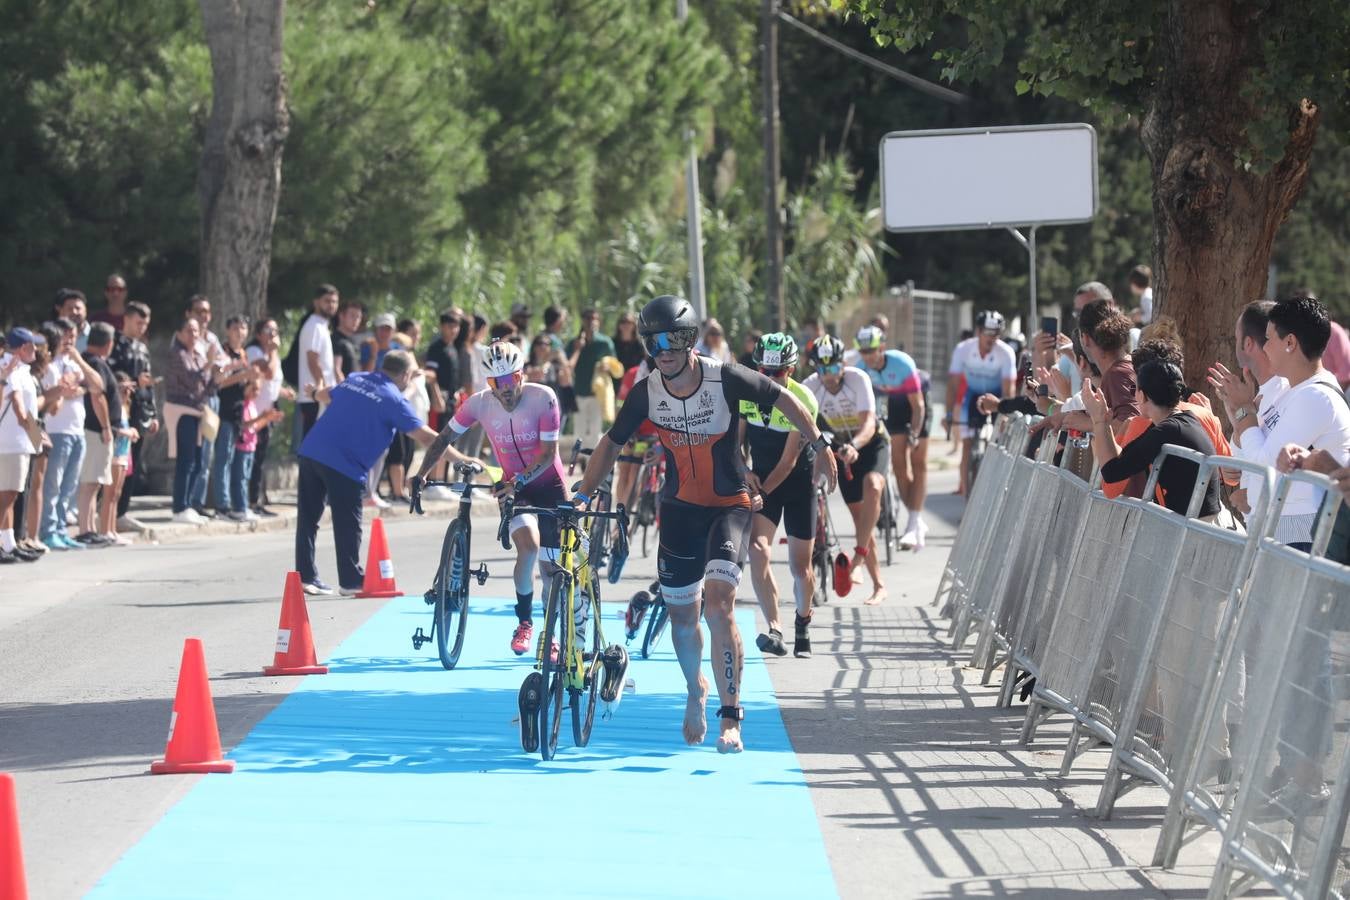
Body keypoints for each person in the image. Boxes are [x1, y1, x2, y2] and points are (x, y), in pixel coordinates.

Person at [572, 295, 837, 754]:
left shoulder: (724, 377)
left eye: (672, 340)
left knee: (718, 607)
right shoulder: (646, 391)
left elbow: (785, 398)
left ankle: (731, 717)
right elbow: (612, 443)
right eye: (653, 342)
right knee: (683, 617)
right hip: (679, 510)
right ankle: (696, 688)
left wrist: (820, 445)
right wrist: (581, 495)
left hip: (730, 506)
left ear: (690, 340)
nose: (663, 351)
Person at [412, 339, 572, 656]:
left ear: (521, 374)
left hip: (549, 486)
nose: (506, 388)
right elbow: (443, 438)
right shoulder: (479, 403)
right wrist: (421, 474)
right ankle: (524, 623)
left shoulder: (544, 398)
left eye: (511, 378)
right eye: (496, 383)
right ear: (489, 383)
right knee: (528, 549)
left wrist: (517, 481)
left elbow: (547, 454)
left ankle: (551, 634)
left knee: (551, 569)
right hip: (514, 488)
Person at [1211, 295, 1350, 549]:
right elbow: (1252, 456)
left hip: (1305, 537)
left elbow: (1264, 466)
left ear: (1290, 343)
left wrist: (1244, 411)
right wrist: (1239, 413)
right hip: (1285, 532)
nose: (1264, 348)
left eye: (1269, 339)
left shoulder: (1315, 396)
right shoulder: (1295, 391)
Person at [296, 350, 439, 595]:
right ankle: (351, 580)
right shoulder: (394, 399)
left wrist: (312, 393)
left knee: (308, 519)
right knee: (347, 523)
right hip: (345, 465)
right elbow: (427, 437)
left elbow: (326, 394)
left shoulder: (356, 378)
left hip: (312, 451)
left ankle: (305, 577)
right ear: (406, 375)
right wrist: (461, 456)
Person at [739, 333, 819, 658]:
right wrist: (744, 472)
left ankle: (803, 620)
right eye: (764, 371)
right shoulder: (746, 393)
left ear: (792, 369)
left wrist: (761, 492)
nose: (770, 378)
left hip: (797, 484)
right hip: (762, 481)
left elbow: (788, 463)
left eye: (778, 372)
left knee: (801, 569)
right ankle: (776, 629)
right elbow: (734, 444)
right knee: (757, 550)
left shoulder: (803, 399)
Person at [804, 336, 889, 606]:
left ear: (843, 364)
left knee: (873, 485)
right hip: (840, 449)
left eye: (833, 368)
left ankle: (859, 558)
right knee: (860, 519)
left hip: (870, 443)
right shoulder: (810, 387)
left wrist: (855, 446)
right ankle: (879, 585)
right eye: (822, 369)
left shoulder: (858, 379)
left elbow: (869, 424)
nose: (828, 375)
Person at [1082, 362, 1221, 517]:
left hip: (1192, 526)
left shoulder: (1166, 430)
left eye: (1134, 389)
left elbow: (1112, 474)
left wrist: (1098, 420)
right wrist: (1103, 423)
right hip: (1193, 523)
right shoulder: (1181, 421)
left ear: (1143, 396)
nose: (1134, 395)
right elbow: (1121, 461)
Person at [854, 324, 930, 550]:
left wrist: (914, 434)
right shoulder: (860, 369)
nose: (867, 356)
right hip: (891, 407)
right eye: (863, 351)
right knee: (899, 467)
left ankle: (913, 523)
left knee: (918, 462)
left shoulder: (902, 363)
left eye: (871, 350)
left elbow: (918, 407)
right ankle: (915, 519)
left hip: (915, 405)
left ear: (882, 348)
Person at [39, 317, 103, 550]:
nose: (69, 341)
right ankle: (47, 531)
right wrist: (70, 390)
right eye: (65, 336)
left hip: (77, 431)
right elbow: (53, 400)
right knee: (53, 486)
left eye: (73, 336)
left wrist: (78, 361)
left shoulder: (75, 363)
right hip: (57, 430)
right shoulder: (50, 365)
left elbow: (98, 386)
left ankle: (61, 529)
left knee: (68, 487)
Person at [946, 312, 1016, 495]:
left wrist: (1005, 416)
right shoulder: (963, 349)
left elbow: (1008, 390)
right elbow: (953, 386)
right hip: (972, 396)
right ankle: (967, 496)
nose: (992, 338)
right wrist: (948, 414)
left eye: (996, 333)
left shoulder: (1006, 353)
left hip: (997, 398)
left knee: (998, 443)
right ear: (978, 331)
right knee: (967, 445)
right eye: (988, 333)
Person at [108, 301, 159, 526]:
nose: (142, 328)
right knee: (115, 463)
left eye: (145, 324)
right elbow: (112, 376)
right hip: (120, 411)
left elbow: (149, 382)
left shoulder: (142, 348)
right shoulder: (115, 344)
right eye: (138, 323)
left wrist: (153, 413)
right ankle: (106, 511)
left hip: (139, 411)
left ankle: (121, 511)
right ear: (126, 319)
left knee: (132, 464)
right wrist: (134, 381)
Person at [163, 317, 216, 525]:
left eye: (196, 331)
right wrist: (209, 364)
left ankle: (188, 504)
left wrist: (217, 375)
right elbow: (191, 380)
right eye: (189, 330)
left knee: (197, 461)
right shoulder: (177, 354)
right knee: (185, 460)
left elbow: (206, 387)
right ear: (179, 333)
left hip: (197, 411)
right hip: (182, 411)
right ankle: (179, 507)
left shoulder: (198, 355)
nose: (194, 334)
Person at [73, 323, 120, 545]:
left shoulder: (90, 362)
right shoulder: (95, 364)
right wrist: (106, 427)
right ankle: (85, 529)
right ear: (108, 343)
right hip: (95, 430)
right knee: (90, 482)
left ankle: (90, 528)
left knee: (94, 483)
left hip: (93, 430)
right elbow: (97, 396)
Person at [210, 315, 260, 519]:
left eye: (243, 328)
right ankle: (222, 506)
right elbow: (219, 382)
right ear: (228, 330)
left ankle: (235, 505)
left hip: (239, 413)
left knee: (234, 461)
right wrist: (243, 375)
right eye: (236, 328)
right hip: (223, 411)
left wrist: (253, 381)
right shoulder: (222, 353)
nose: (240, 332)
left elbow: (243, 388)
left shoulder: (244, 354)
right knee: (223, 459)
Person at [0, 329, 43, 564]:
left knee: (10, 495)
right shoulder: (10, 367)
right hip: (11, 443)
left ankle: (8, 544)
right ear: (22, 348)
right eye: (32, 345)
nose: (36, 349)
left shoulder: (21, 369)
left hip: (18, 442)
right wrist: (37, 437)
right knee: (7, 495)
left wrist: (35, 439)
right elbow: (19, 410)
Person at [245, 318, 294, 516]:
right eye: (268, 330)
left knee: (261, 458)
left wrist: (283, 392)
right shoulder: (254, 351)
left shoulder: (271, 355)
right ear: (258, 334)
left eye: (275, 330)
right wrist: (273, 351)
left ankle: (257, 499)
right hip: (253, 414)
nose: (273, 334)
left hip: (267, 414)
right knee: (253, 459)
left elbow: (272, 383)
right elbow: (269, 373)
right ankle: (250, 501)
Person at [567, 308, 615, 450]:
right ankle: (578, 457)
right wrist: (578, 348)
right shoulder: (574, 343)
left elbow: (615, 365)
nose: (591, 322)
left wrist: (607, 367)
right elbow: (567, 365)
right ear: (582, 321)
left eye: (594, 318)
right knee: (579, 429)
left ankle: (592, 459)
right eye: (588, 318)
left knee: (595, 429)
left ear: (598, 321)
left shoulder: (605, 342)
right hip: (579, 392)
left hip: (597, 394)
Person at [99, 373, 138, 545]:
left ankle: (112, 529)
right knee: (109, 494)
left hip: (123, 452)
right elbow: (112, 427)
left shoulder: (125, 407)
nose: (127, 392)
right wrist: (126, 433)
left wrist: (132, 432)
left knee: (116, 494)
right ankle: (105, 530)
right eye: (123, 388)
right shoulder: (112, 405)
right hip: (114, 452)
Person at [297, 285, 339, 438]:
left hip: (320, 396)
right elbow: (312, 360)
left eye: (334, 302)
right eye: (327, 301)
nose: (331, 305)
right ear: (316, 302)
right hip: (314, 397)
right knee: (312, 443)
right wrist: (320, 391)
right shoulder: (314, 325)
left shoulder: (322, 325)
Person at [331, 300, 364, 383]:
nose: (356, 320)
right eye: (352, 316)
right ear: (341, 316)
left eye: (359, 317)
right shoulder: (336, 340)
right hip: (343, 388)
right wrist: (345, 389)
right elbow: (336, 370)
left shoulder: (353, 341)